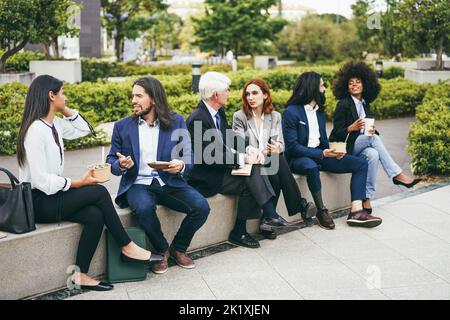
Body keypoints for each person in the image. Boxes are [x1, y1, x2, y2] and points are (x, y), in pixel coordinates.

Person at [17, 75, 163, 292]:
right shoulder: (35, 131)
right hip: (39, 202)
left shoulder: (53, 124)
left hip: (53, 197)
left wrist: (65, 111)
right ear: (51, 95)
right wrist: (77, 183)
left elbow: (85, 129)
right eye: (62, 93)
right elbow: (41, 181)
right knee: (98, 191)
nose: (65, 97)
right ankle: (127, 245)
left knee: (94, 216)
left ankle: (80, 275)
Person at [106, 77, 210, 274]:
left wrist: (180, 165)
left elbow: (188, 155)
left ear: (153, 98)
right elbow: (111, 160)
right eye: (132, 96)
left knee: (201, 207)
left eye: (139, 96)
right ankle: (162, 250)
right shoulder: (122, 126)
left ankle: (178, 248)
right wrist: (119, 164)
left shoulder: (176, 121)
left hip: (169, 181)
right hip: (138, 183)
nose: (133, 100)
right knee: (143, 208)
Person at [186, 72, 300, 248]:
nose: (229, 93)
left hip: (222, 170)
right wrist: (242, 158)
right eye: (227, 90)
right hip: (207, 178)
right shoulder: (197, 119)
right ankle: (264, 217)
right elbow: (210, 157)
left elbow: (230, 137)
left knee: (254, 172)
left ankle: (247, 227)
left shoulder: (218, 112)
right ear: (216, 94)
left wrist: (249, 149)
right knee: (252, 173)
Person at [282, 71, 383, 229]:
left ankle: (356, 211)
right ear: (312, 88)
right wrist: (322, 153)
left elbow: (323, 140)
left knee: (361, 164)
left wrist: (334, 150)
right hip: (299, 157)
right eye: (322, 85)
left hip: (322, 154)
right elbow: (293, 147)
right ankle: (321, 210)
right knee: (310, 166)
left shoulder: (320, 112)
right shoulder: (291, 112)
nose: (324, 89)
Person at [329, 61, 421, 212]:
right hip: (344, 147)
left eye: (358, 82)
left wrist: (372, 130)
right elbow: (335, 134)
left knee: (373, 154)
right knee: (374, 139)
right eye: (350, 83)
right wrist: (350, 128)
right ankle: (397, 174)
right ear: (345, 85)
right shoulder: (343, 104)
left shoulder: (365, 104)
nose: (354, 85)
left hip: (361, 144)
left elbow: (368, 131)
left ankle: (366, 197)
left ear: (365, 85)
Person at [232, 78, 316, 229]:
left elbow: (281, 143)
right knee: (277, 163)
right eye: (247, 94)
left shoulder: (275, 116)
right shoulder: (240, 117)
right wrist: (263, 152)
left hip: (270, 162)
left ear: (265, 95)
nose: (250, 97)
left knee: (277, 160)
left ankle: (268, 220)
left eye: (255, 93)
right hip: (253, 164)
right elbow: (239, 144)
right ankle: (300, 205)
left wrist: (278, 147)